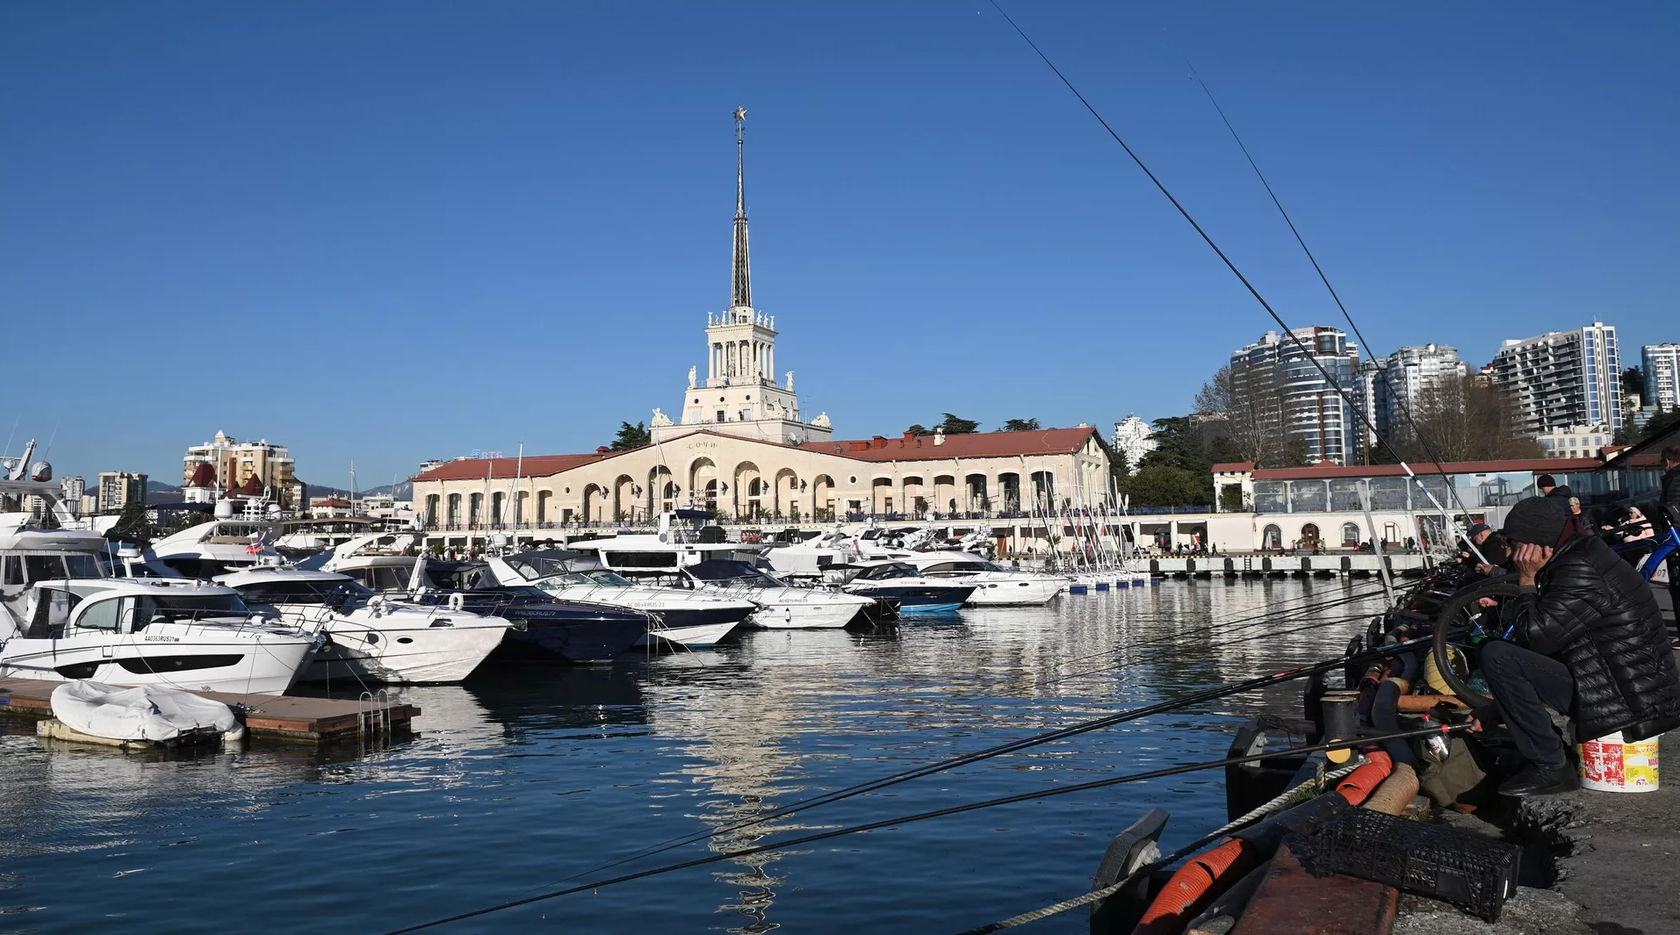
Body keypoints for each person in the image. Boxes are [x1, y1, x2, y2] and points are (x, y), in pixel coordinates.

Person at [1474, 496, 1680, 796]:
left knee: (1497, 655)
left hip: (1633, 701)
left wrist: (1527, 580)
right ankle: (1549, 753)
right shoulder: (1581, 553)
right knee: (1500, 652)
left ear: (1535, 544)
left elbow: (1535, 638)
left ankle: (1551, 767)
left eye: (1515, 543)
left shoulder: (1579, 568)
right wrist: (1498, 707)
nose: (1511, 553)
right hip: (1626, 688)